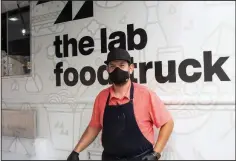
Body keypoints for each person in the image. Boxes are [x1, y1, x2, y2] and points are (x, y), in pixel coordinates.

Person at [67, 48, 174, 161]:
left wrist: (156, 154)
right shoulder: (102, 97)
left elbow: (168, 123)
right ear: (107, 69)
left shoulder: (145, 94)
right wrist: (76, 151)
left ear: (131, 68)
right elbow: (94, 126)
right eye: (112, 66)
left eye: (122, 65)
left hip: (142, 158)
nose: (117, 69)